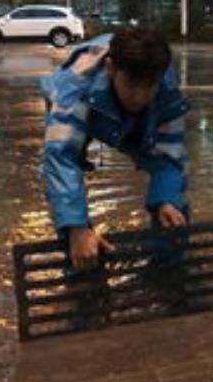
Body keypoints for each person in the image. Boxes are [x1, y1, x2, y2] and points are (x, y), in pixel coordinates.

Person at [41, 29, 190, 270]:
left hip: (138, 119)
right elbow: (61, 159)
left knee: (174, 202)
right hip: (89, 107)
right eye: (132, 85)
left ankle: (168, 266)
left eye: (148, 87)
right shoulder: (73, 88)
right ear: (111, 68)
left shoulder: (166, 89)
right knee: (69, 211)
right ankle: (80, 264)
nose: (140, 97)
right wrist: (77, 227)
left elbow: (169, 155)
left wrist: (166, 201)